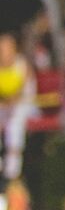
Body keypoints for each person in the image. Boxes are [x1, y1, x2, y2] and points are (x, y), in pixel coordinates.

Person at [0, 34, 34, 181]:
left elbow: (26, 90)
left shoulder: (22, 65)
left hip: (23, 105)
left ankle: (12, 169)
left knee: (14, 125)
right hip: (4, 105)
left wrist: (14, 99)